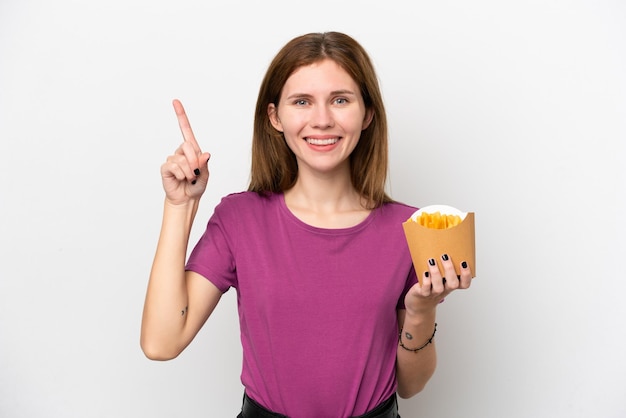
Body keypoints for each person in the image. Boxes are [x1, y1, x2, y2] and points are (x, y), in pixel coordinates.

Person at [140, 31, 473, 418]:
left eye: (340, 100)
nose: (321, 120)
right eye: (302, 102)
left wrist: (421, 311)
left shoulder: (410, 229)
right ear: (275, 116)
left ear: (366, 113)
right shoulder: (239, 219)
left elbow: (411, 386)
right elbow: (161, 343)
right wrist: (180, 206)